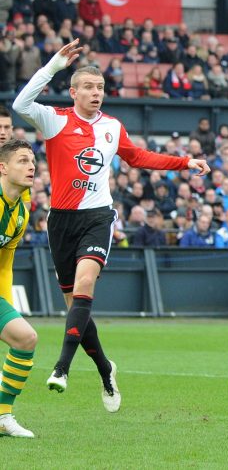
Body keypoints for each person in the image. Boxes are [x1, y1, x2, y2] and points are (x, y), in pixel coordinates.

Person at [12, 39, 210, 411]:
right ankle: (105, 370)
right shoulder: (55, 120)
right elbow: (20, 105)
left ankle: (62, 367)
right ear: (73, 92)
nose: (96, 93)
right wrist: (53, 65)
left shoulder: (113, 127)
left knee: (86, 285)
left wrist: (185, 162)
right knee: (76, 309)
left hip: (98, 216)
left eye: (100, 87)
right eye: (88, 87)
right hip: (61, 222)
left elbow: (138, 157)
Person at [0, 140, 38, 437]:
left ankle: (3, 415)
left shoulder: (21, 215)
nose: (31, 166)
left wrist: (7, 305)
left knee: (25, 337)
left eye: (33, 161)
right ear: (3, 167)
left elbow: (5, 264)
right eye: (23, 161)